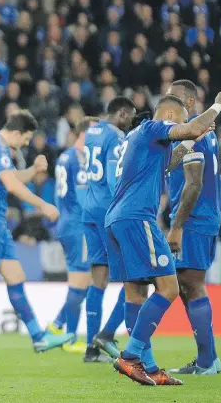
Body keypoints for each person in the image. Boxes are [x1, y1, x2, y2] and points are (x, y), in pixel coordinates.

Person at [107, 90, 221, 386]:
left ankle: (148, 367)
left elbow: (170, 161)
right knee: (169, 286)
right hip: (137, 218)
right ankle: (131, 355)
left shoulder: (138, 139)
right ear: (170, 116)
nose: (185, 123)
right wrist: (217, 105)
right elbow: (189, 127)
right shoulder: (154, 127)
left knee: (136, 293)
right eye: (183, 119)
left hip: (117, 219)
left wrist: (191, 138)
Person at [0, 110, 72, 354]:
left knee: (16, 276)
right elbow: (11, 184)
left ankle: (38, 337)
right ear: (17, 133)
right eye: (26, 139)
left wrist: (33, 170)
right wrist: (43, 204)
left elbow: (13, 176)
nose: (26, 144)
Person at [166, 79, 221, 375]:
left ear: (189, 103)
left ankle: (206, 362)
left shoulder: (195, 133)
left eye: (173, 97)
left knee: (191, 285)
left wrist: (177, 225)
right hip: (202, 218)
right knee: (185, 287)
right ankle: (209, 357)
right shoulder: (200, 131)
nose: (168, 103)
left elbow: (194, 184)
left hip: (194, 219)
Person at [80, 97, 136, 362]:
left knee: (98, 280)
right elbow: (115, 179)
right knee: (133, 277)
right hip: (107, 212)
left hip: (88, 209)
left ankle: (91, 349)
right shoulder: (116, 137)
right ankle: (106, 334)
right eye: (131, 117)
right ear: (122, 113)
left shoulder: (92, 130)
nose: (131, 123)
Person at [47, 118, 89, 354]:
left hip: (66, 221)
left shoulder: (64, 157)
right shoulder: (79, 160)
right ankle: (70, 338)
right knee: (80, 282)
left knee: (82, 282)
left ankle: (56, 326)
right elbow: (83, 198)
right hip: (78, 224)